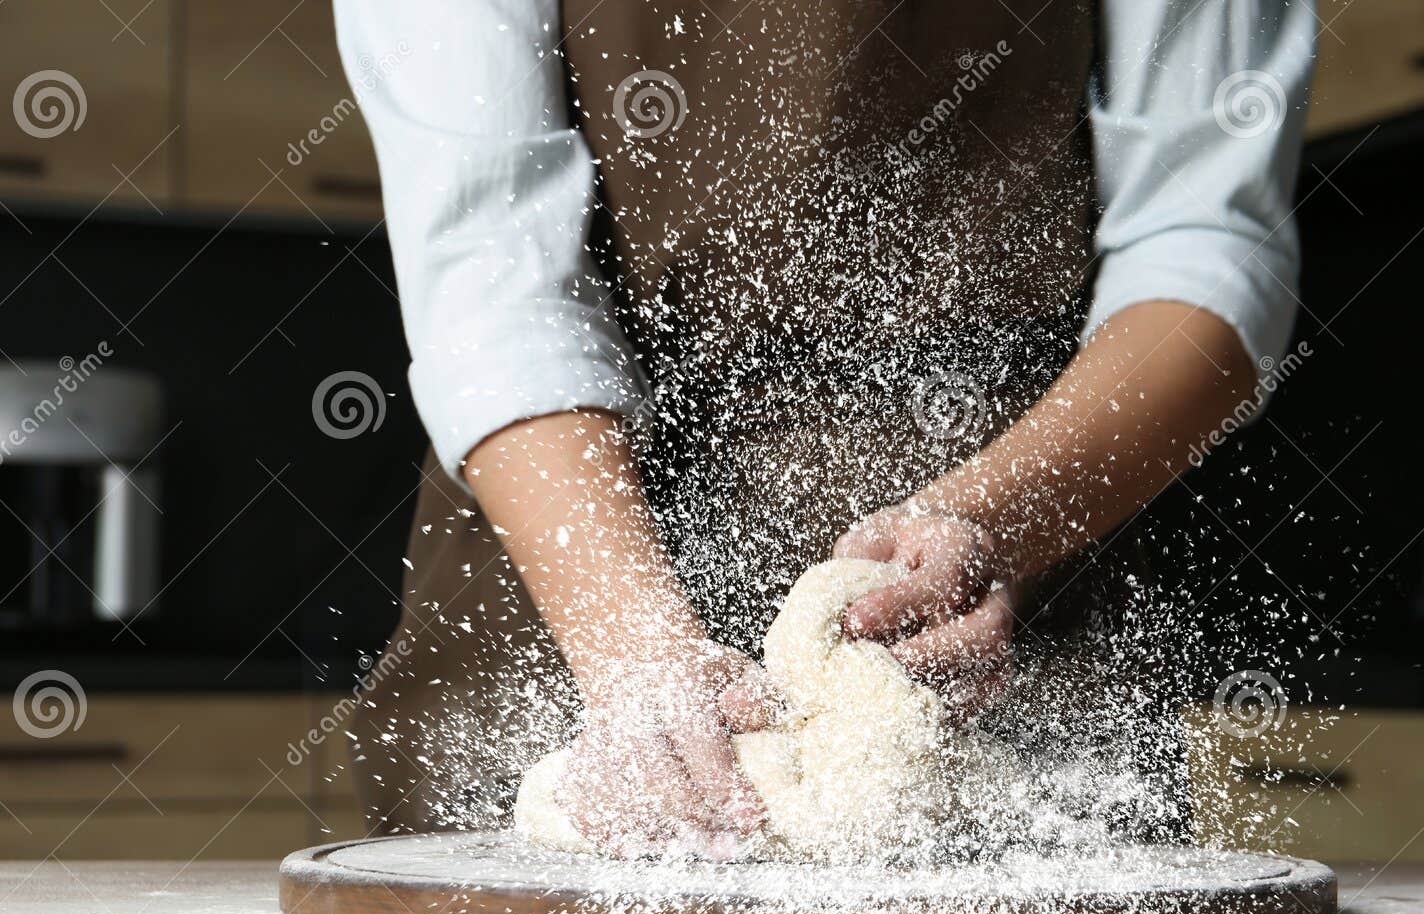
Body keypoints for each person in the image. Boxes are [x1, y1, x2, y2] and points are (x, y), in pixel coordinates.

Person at [332, 0, 1314, 856]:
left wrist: (993, 521)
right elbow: (490, 279)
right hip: (576, 551)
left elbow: (1205, 240)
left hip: (1009, 573)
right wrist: (636, 657)